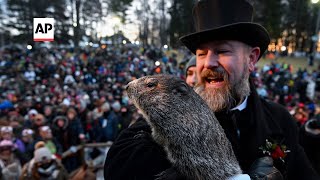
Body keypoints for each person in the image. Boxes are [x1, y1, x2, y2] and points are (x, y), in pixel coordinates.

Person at [104, 0, 319, 179]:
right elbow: (120, 163)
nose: (208, 63)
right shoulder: (172, 105)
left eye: (222, 51)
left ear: (251, 58)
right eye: (201, 53)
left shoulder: (280, 118)